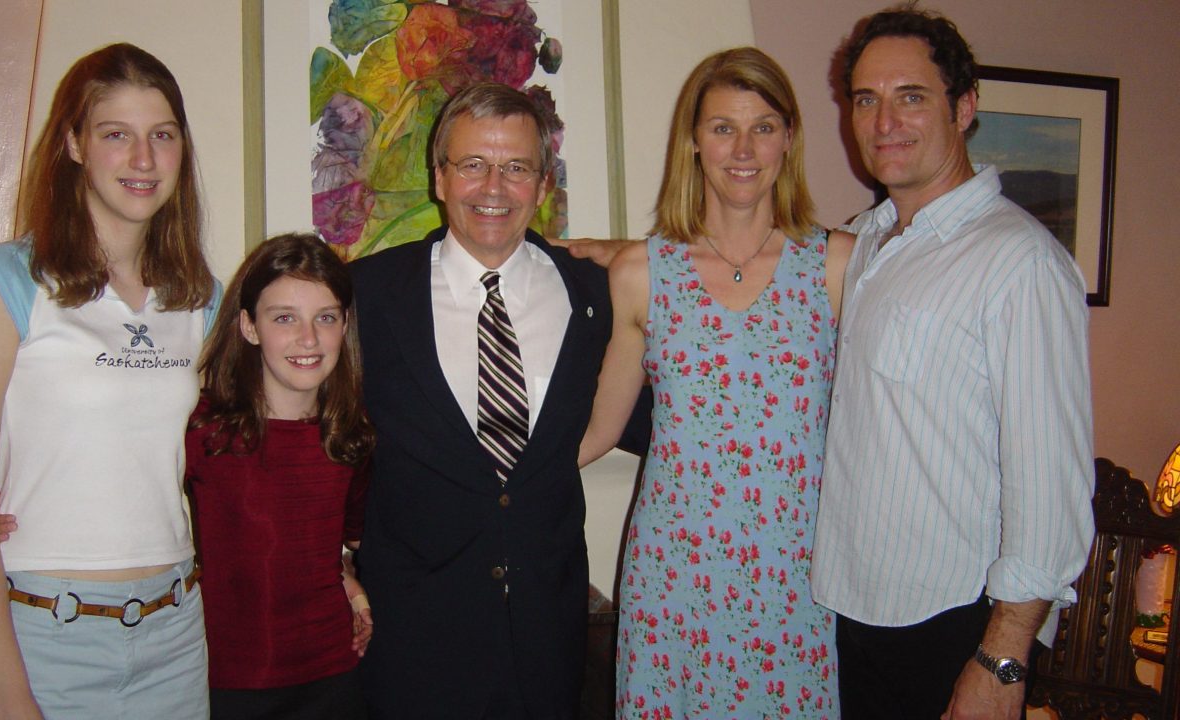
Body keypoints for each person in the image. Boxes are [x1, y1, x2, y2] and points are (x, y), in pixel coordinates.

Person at [808, 7, 1095, 720]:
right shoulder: (867, 241)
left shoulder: (1019, 262)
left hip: (954, 627)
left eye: (911, 97)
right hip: (853, 610)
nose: (883, 122)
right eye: (866, 100)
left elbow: (1051, 482)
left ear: (964, 108)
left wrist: (1001, 660)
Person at [0, 43, 218, 718]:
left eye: (162, 136)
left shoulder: (198, 296)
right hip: (43, 639)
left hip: (175, 635)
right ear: (73, 144)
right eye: (116, 135)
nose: (144, 160)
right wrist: (7, 687)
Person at [578, 47, 853, 719]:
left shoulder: (836, 266)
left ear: (789, 138)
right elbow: (599, 430)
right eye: (722, 127)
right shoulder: (643, 273)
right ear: (694, 141)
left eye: (763, 126)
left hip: (795, 576)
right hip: (674, 574)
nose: (743, 148)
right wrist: (484, 482)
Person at [349, 82, 612, 719]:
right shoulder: (368, 293)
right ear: (439, 178)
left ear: (544, 185)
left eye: (516, 167)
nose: (493, 187)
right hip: (411, 638)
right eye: (472, 164)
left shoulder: (596, 293)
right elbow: (315, 436)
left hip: (544, 640)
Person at [186, 233, 375, 719]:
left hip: (336, 675)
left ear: (345, 325)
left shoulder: (354, 436)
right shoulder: (200, 427)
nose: (308, 339)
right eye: (284, 317)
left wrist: (350, 583)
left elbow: (344, 541)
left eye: (325, 318)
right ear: (249, 326)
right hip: (228, 681)